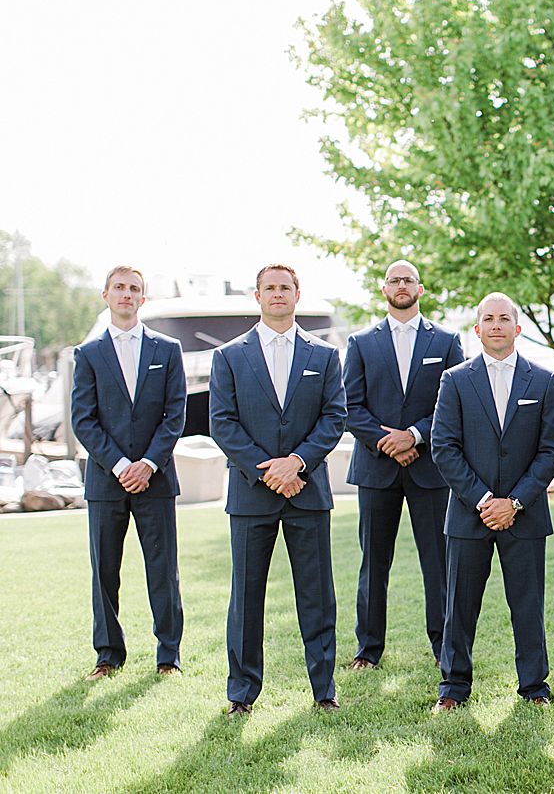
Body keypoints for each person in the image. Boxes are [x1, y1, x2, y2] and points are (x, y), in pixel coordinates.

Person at [209, 264, 346, 714]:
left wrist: (297, 463)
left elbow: (333, 417)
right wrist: (266, 469)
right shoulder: (229, 356)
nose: (277, 295)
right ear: (258, 296)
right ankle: (241, 694)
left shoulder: (324, 355)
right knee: (246, 598)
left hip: (307, 492)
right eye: (269, 288)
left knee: (317, 595)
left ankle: (324, 691)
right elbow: (221, 422)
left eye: (285, 288)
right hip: (251, 494)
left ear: (297, 294)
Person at [430, 293, 554, 710]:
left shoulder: (544, 381)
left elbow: (551, 449)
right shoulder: (455, 380)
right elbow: (443, 447)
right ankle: (453, 688)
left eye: (504, 318)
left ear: (517, 327)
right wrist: (485, 499)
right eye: (487, 319)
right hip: (470, 514)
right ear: (477, 329)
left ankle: (534, 688)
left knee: (528, 605)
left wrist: (516, 502)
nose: (496, 325)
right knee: (459, 607)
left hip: (524, 516)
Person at [343, 259, 464, 670]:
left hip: (430, 467)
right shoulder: (361, 343)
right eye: (394, 280)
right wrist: (387, 441)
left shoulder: (447, 341)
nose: (401, 285)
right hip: (376, 470)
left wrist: (413, 436)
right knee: (373, 562)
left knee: (439, 563)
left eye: (407, 279)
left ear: (420, 288)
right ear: (384, 289)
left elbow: (453, 405)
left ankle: (443, 646)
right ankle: (368, 650)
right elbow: (350, 407)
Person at [71, 265, 186, 680]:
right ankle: (108, 655)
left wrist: (148, 464)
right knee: (104, 569)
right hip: (106, 481)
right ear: (105, 295)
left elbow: (175, 416)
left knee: (163, 568)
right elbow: (83, 420)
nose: (126, 294)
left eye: (133, 288)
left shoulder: (167, 350)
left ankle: (168, 654)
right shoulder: (87, 354)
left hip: (156, 479)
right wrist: (121, 465)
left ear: (143, 298)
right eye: (119, 287)